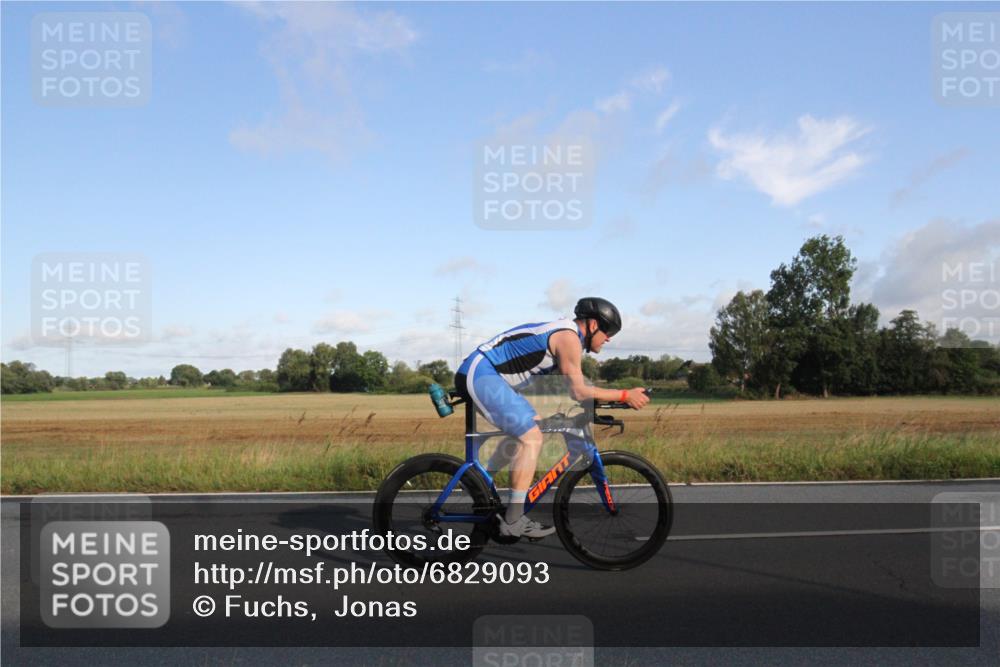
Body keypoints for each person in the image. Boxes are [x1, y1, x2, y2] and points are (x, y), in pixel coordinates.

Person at [454, 297, 650, 538]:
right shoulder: (568, 338)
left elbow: (576, 389)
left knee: (530, 427)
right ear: (591, 325)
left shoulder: (568, 336)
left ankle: (480, 483)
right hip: (482, 374)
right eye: (608, 330)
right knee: (532, 438)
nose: (609, 338)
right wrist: (623, 395)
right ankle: (513, 520)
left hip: (489, 377)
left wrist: (609, 400)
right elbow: (578, 390)